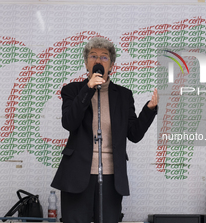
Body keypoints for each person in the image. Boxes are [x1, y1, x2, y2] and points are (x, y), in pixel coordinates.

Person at [51, 37, 158, 223]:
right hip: (76, 175)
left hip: (111, 177)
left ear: (112, 65)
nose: (98, 60)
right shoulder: (73, 90)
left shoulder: (124, 95)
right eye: (93, 56)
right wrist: (88, 89)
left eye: (104, 57)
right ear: (86, 63)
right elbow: (69, 122)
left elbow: (134, 134)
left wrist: (149, 109)